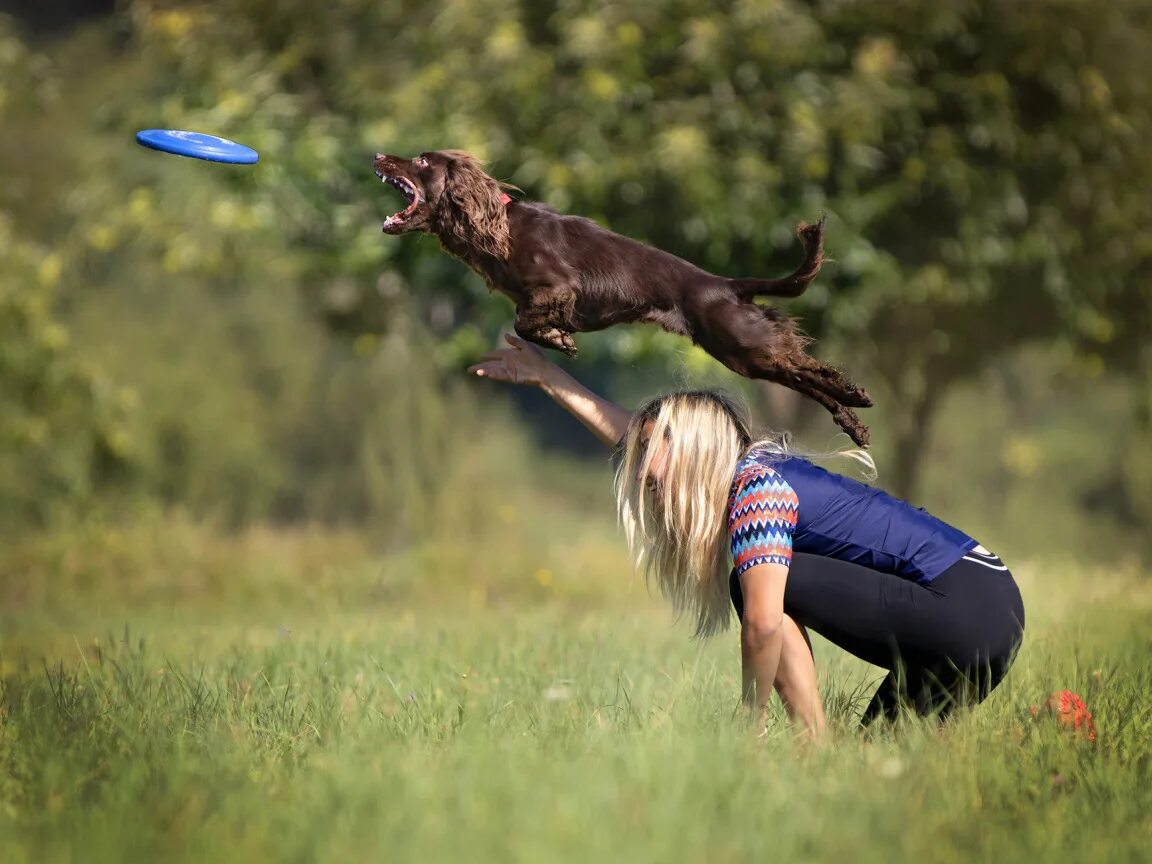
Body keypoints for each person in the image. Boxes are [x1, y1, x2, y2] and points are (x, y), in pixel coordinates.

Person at [469, 335, 1026, 736]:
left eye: (655, 446)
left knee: (755, 588)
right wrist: (550, 377)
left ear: (692, 450)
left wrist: (750, 723)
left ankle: (809, 743)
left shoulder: (756, 490)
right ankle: (836, 755)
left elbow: (763, 624)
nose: (640, 466)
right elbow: (633, 438)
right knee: (878, 754)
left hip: (965, 605)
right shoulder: (763, 476)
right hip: (993, 610)